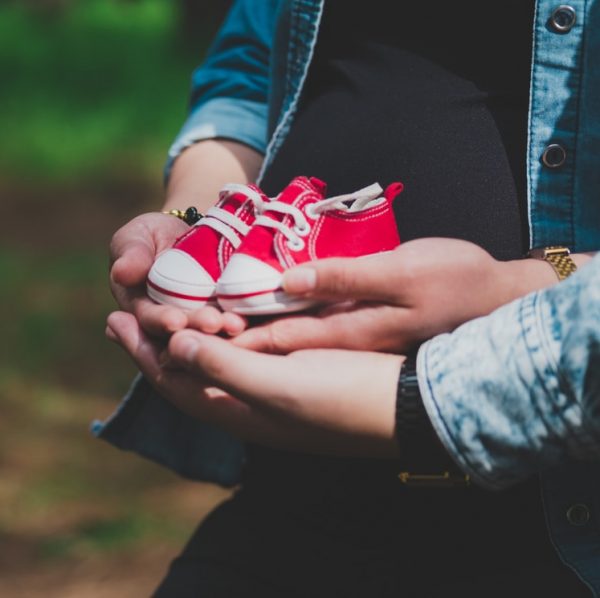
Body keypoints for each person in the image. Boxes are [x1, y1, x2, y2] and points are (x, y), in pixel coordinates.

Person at [99, 0, 600, 595]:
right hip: (289, 499)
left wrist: (515, 285)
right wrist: (199, 217)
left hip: (555, 525)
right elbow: (251, 72)